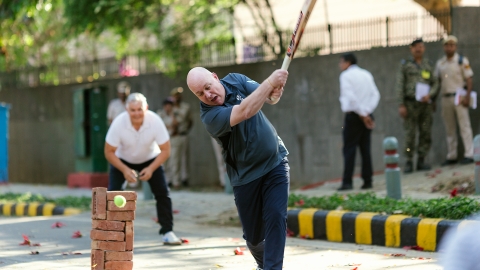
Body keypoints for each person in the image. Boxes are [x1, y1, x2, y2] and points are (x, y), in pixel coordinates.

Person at [186, 67, 289, 270]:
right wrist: (269, 82)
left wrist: (273, 93)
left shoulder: (235, 80)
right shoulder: (210, 116)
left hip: (275, 161)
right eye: (200, 93)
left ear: (215, 77)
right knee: (254, 238)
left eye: (208, 87)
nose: (207, 94)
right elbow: (245, 110)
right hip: (246, 176)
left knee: (276, 216)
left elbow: (266, 97)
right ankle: (263, 263)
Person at [104, 92, 182, 245]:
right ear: (127, 110)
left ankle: (167, 231)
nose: (136, 113)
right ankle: (112, 232)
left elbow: (166, 150)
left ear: (146, 108)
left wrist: (152, 168)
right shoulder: (119, 123)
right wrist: (125, 169)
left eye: (139, 109)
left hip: (149, 159)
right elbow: (108, 152)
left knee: (163, 193)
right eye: (133, 110)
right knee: (113, 192)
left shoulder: (155, 121)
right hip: (122, 159)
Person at [337, 53, 380, 191]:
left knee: (349, 149)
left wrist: (361, 113)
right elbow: (376, 95)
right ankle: (368, 181)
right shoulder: (366, 74)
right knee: (365, 148)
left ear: (347, 62)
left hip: (354, 116)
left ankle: (347, 182)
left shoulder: (345, 76)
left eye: (341, 62)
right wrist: (367, 112)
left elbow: (351, 97)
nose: (340, 65)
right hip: (367, 114)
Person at [395, 38, 439, 173]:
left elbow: (435, 83)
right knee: (410, 134)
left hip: (425, 105)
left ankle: (421, 160)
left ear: (424, 48)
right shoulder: (405, 65)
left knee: (425, 132)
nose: (418, 49)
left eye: (420, 46)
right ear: (411, 49)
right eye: (415, 47)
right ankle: (408, 161)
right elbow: (400, 84)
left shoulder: (428, 65)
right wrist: (401, 104)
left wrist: (430, 95)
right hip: (410, 104)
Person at [434, 35, 474, 166]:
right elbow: (437, 82)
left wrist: (467, 96)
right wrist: (433, 99)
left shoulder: (462, 61)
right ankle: (452, 155)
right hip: (445, 98)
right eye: (446, 45)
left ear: (455, 47)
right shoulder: (440, 64)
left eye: (451, 45)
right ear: (444, 47)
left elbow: (469, 79)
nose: (449, 47)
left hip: (460, 97)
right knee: (449, 128)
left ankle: (469, 153)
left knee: (465, 126)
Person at [157, 98, 182, 188]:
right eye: (166, 105)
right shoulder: (160, 114)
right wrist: (168, 126)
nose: (168, 107)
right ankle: (165, 181)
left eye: (170, 105)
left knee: (175, 162)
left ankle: (176, 182)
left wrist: (172, 115)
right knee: (164, 162)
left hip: (174, 139)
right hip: (163, 140)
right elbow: (159, 126)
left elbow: (176, 125)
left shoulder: (176, 113)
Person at [170, 87, 193, 187]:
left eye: (179, 95)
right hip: (174, 136)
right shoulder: (170, 108)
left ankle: (185, 179)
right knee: (174, 159)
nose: (177, 97)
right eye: (175, 95)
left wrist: (186, 130)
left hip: (183, 134)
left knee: (185, 158)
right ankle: (175, 180)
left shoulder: (186, 107)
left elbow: (190, 121)